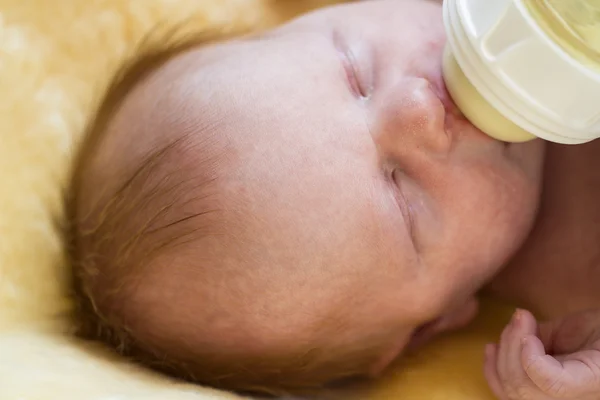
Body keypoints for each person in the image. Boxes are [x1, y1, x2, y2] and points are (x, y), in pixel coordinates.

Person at [68, 0, 600, 398]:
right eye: (404, 199)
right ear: (435, 321)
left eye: (356, 69)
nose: (419, 108)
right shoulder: (570, 281)